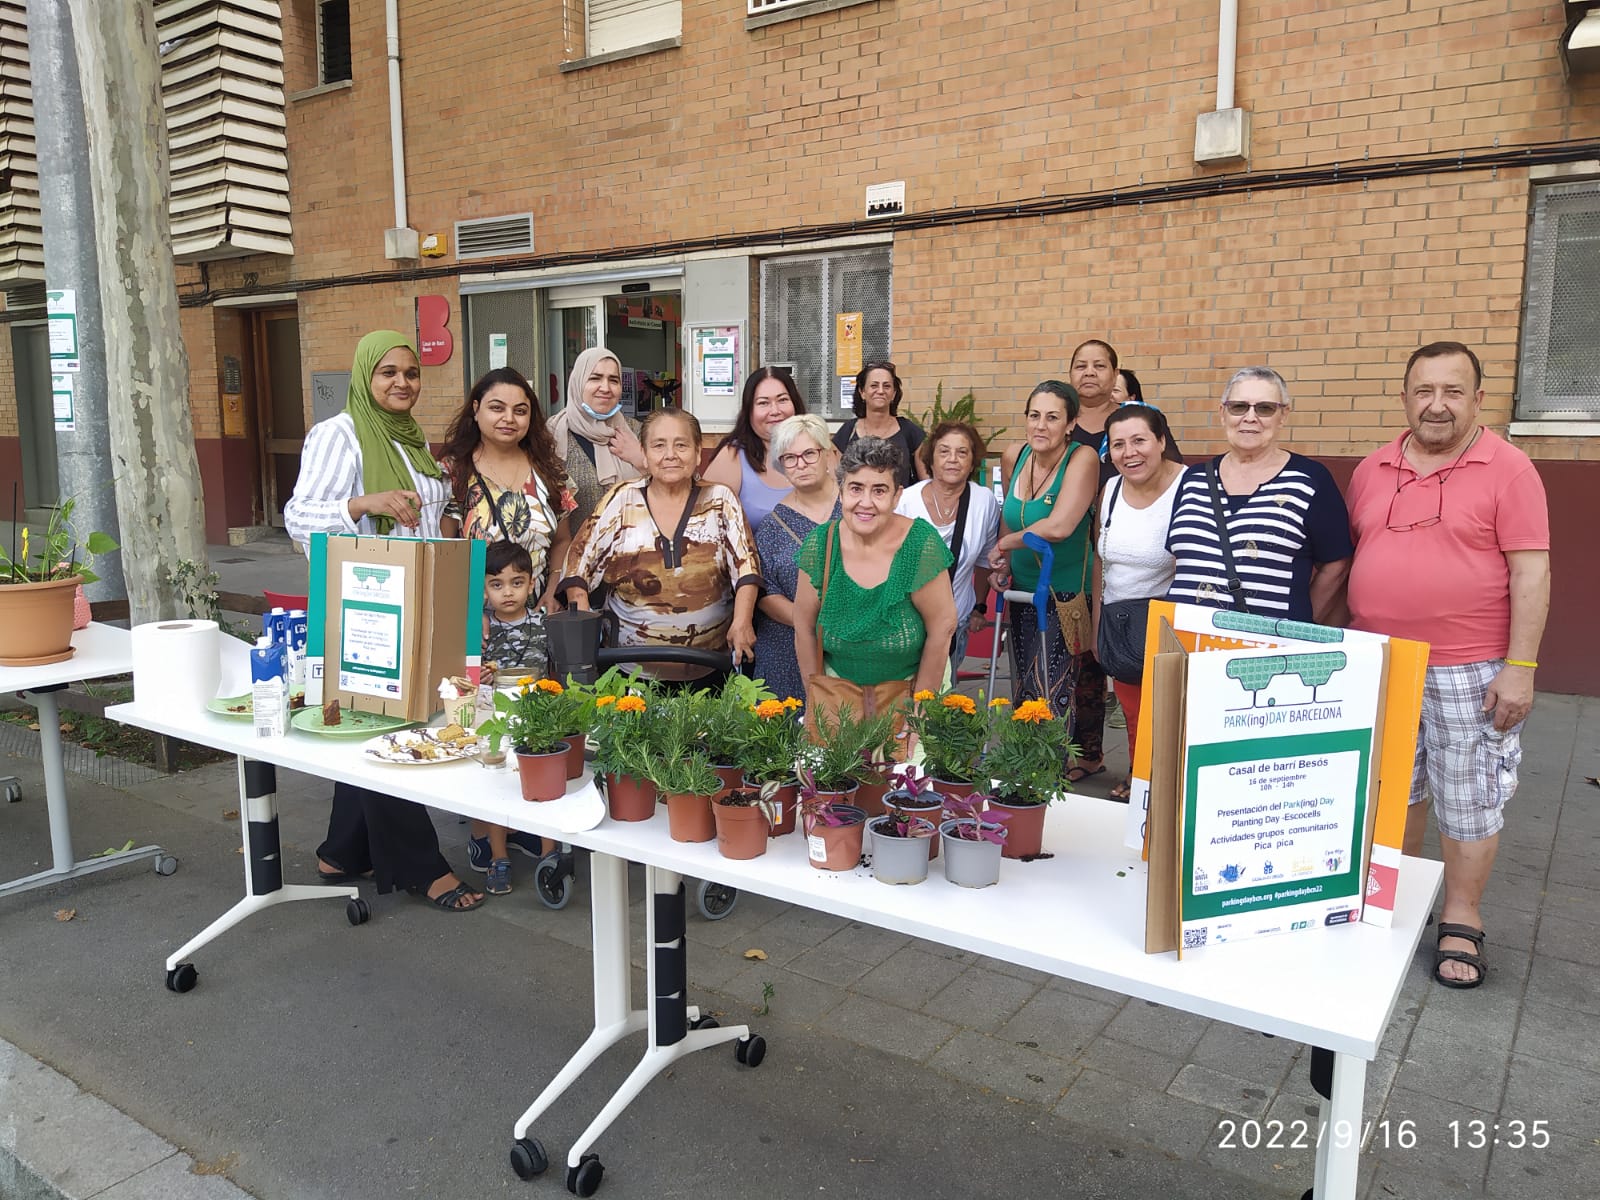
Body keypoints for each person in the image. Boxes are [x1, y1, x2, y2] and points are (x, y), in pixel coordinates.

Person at [1345, 342, 1549, 990]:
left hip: (1472, 667)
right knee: (1390, 791)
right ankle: (1392, 903)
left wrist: (1521, 666)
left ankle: (1462, 916)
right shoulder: (1373, 468)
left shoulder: (1509, 469)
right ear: (1405, 397)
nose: (1437, 404)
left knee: (1469, 796)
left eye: (1452, 391)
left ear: (1476, 398)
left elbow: (1532, 570)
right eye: (1424, 390)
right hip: (1381, 661)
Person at [282, 330, 482, 912]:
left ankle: (342, 851)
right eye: (388, 373)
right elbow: (298, 519)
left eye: (411, 373)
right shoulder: (338, 434)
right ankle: (420, 866)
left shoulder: (412, 438)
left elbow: (426, 513)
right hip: (364, 607)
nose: (402, 383)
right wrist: (363, 504)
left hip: (415, 600)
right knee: (385, 728)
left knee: (378, 720)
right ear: (365, 376)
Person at [559, 408, 760, 682]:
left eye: (681, 445)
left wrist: (743, 620)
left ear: (698, 453)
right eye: (659, 445)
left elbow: (745, 565)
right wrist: (580, 612)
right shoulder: (621, 499)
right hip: (628, 670)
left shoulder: (720, 499)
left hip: (710, 667)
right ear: (643, 454)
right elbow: (579, 562)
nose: (670, 455)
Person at [1166, 366, 1352, 623]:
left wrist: (1297, 625)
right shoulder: (1193, 479)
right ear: (1222, 413)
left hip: (1265, 657)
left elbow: (1336, 565)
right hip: (1184, 644)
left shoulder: (1310, 480)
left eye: (1265, 408)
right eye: (1239, 407)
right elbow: (1183, 558)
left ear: (1283, 414)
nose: (1250, 417)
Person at [987, 381, 1102, 777]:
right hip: (1022, 586)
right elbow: (1009, 514)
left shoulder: (1082, 458)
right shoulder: (1014, 455)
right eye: (1034, 415)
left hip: (1065, 589)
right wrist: (1003, 562)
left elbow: (1061, 525)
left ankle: (1046, 770)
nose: (1041, 425)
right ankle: (1025, 760)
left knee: (1050, 683)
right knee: (1022, 680)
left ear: (1071, 423)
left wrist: (1006, 543)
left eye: (1053, 417)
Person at [793, 437, 955, 703]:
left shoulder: (919, 545)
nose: (865, 503)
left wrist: (920, 710)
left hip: (910, 689)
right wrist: (816, 700)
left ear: (896, 496)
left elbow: (942, 629)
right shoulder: (821, 545)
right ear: (841, 491)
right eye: (856, 488)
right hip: (838, 692)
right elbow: (804, 627)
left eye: (879, 491)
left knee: (914, 747)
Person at [438, 366, 574, 666]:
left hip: (537, 620)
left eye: (520, 410)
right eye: (497, 408)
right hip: (477, 626)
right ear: (476, 409)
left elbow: (563, 540)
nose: (509, 419)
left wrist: (553, 592)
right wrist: (470, 613)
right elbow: (445, 552)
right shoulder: (454, 474)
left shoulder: (551, 473)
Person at [1093, 404, 1185, 801]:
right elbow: (1101, 558)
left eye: (1139, 440)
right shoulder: (1111, 488)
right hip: (1120, 619)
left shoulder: (1189, 486)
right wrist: (1098, 625)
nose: (1129, 452)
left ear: (1161, 441)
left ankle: (1171, 789)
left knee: (1170, 713)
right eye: (1118, 444)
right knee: (1133, 714)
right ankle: (1140, 780)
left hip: (1168, 617)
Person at [895, 420, 1000, 676]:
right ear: (930, 459)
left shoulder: (983, 501)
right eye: (944, 451)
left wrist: (979, 607)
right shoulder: (905, 501)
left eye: (962, 452)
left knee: (940, 703)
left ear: (973, 460)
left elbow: (986, 559)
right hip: (905, 625)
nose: (953, 459)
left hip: (955, 623)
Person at [751, 414, 841, 709]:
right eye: (789, 458)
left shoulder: (857, 506)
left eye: (809, 453)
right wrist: (812, 625)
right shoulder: (772, 526)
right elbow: (765, 592)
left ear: (827, 454)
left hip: (856, 644)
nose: (800, 464)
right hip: (786, 650)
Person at [548, 347, 646, 534]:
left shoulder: (638, 432)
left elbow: (678, 487)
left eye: (613, 380)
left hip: (634, 553)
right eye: (595, 378)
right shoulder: (551, 436)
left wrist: (641, 460)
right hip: (575, 555)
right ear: (577, 382)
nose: (606, 388)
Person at [702, 367, 806, 532]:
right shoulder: (732, 456)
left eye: (782, 400)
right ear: (749, 411)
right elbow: (703, 525)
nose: (775, 411)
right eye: (763, 403)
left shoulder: (821, 450)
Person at [832, 361, 927, 487]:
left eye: (887, 386)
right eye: (874, 386)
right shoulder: (847, 432)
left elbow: (926, 483)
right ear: (862, 392)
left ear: (893, 394)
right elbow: (836, 483)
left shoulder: (910, 432)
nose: (880, 391)